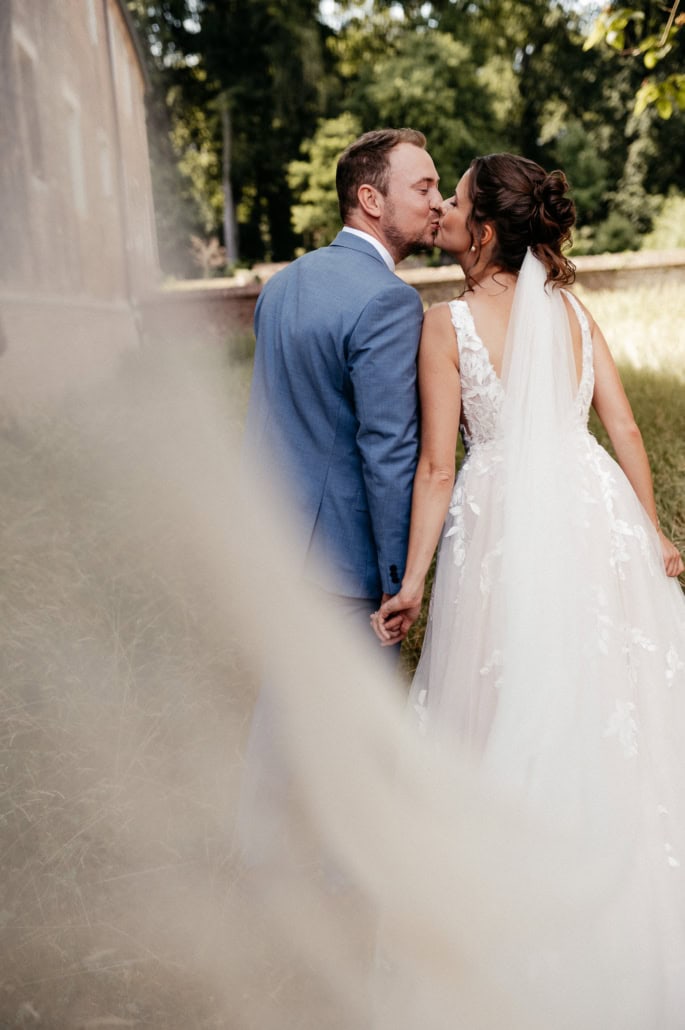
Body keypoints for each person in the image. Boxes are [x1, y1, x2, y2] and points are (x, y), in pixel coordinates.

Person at [373, 152, 685, 1021]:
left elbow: (438, 469)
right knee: (605, 697)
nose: (445, 210)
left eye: (457, 199)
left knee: (502, 696)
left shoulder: (447, 325)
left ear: (483, 228)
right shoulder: (572, 313)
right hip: (595, 512)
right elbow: (620, 427)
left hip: (500, 525)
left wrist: (412, 583)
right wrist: (651, 528)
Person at [243, 127, 442, 642]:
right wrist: (398, 578)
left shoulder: (280, 286)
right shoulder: (389, 302)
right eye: (423, 188)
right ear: (370, 199)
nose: (438, 203)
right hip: (346, 568)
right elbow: (388, 449)